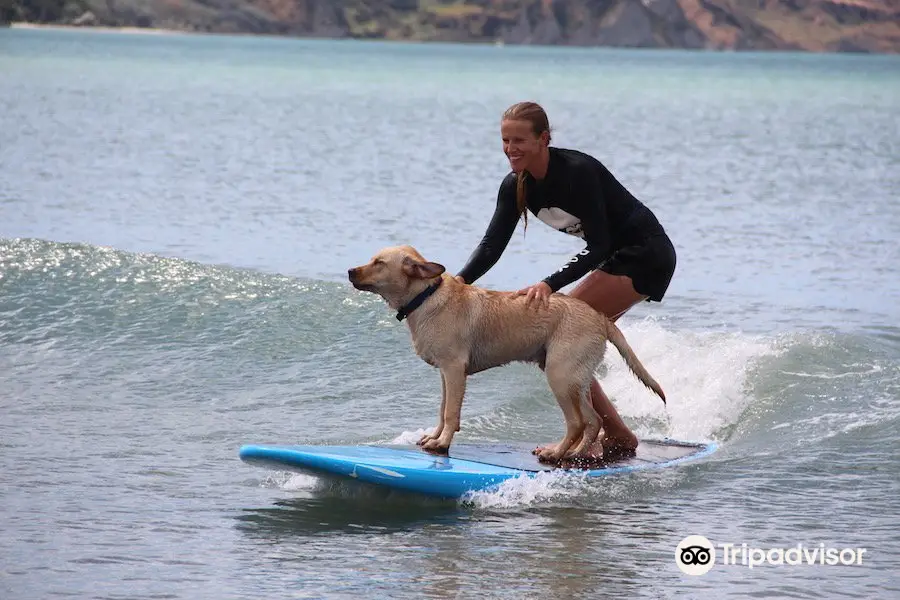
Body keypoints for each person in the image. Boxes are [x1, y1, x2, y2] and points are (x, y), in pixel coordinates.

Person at [454, 101, 676, 458]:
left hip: (644, 255)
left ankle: (599, 434)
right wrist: (458, 282)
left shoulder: (577, 171)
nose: (511, 149)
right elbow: (492, 245)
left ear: (544, 139)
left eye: (520, 140)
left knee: (559, 333)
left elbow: (600, 243)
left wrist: (549, 284)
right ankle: (615, 433)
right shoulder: (516, 186)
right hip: (614, 259)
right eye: (505, 140)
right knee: (559, 344)